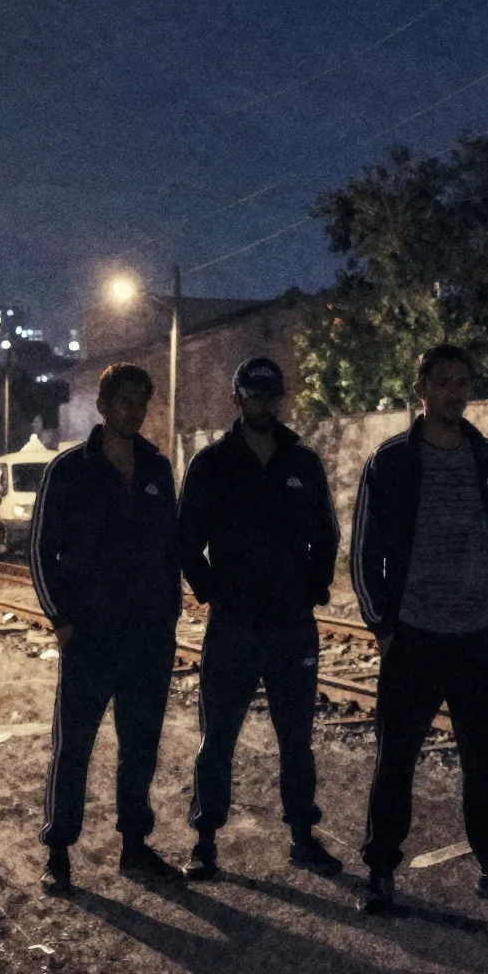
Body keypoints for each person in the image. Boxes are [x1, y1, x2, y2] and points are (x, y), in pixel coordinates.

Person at [350, 344, 488, 915]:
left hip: (482, 637)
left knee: (484, 761)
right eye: (443, 382)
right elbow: (365, 550)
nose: (454, 392)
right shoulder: (391, 460)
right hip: (414, 636)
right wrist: (383, 625)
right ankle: (380, 870)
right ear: (422, 389)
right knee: (396, 760)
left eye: (462, 382)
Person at [175, 357, 343, 881]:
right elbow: (185, 538)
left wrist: (313, 587)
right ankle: (205, 841)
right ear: (237, 399)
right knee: (217, 738)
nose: (264, 405)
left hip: (292, 625)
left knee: (297, 741)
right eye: (255, 396)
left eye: (271, 396)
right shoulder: (212, 463)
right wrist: (211, 592)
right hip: (234, 626)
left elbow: (327, 532)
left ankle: (302, 837)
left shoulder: (303, 462)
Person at [31, 364, 185, 894]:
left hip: (148, 637)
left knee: (140, 744)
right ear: (102, 405)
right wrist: (62, 621)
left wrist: (169, 614)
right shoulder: (68, 469)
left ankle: (135, 847)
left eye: (141, 401)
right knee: (74, 746)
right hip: (90, 638)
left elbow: (170, 547)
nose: (133, 410)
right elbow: (41, 551)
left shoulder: (157, 468)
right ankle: (58, 851)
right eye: (124, 400)